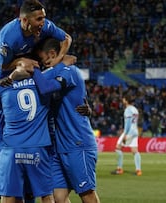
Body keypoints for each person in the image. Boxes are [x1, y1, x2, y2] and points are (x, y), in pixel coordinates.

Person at [12, 38, 100, 203]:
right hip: (58, 147)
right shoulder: (55, 72)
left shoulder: (69, 71)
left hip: (77, 143)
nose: (41, 64)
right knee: (59, 197)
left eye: (43, 60)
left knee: (86, 193)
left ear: (52, 54)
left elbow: (46, 87)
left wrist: (34, 69)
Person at [0, 64, 54, 203]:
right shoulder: (42, 82)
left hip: (7, 147)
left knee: (10, 194)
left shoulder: (4, 86)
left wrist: (7, 79)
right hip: (36, 146)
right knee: (35, 194)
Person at [0, 0, 72, 76]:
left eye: (44, 18)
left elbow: (66, 38)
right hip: (12, 73)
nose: (43, 23)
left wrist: (58, 59)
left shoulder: (46, 26)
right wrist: (21, 61)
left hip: (35, 65)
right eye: (39, 19)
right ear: (25, 20)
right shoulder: (9, 39)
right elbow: (3, 66)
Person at [112, 93, 142, 176]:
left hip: (129, 131)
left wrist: (125, 134)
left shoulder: (128, 110)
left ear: (126, 100)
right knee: (135, 151)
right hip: (135, 131)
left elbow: (128, 123)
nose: (122, 100)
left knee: (118, 148)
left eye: (124, 99)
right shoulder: (135, 109)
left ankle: (119, 169)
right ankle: (138, 170)